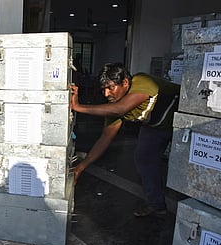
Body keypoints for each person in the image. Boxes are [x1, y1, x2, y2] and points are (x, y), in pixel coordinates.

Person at [70, 63, 180, 217]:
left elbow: (121, 109)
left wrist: (78, 107)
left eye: (111, 87)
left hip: (184, 121)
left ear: (126, 83)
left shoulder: (141, 81)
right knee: (143, 159)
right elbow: (104, 139)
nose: (107, 94)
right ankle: (157, 205)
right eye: (103, 89)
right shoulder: (113, 106)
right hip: (157, 126)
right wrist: (79, 168)